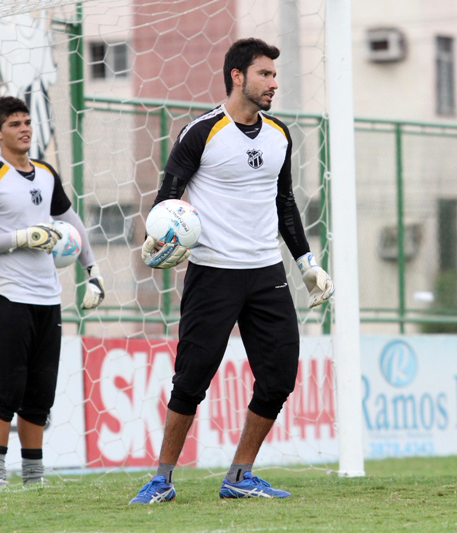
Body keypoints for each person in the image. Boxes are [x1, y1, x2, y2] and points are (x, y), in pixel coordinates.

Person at [131, 38, 334, 504]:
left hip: (266, 273)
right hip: (213, 271)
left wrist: (307, 264)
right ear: (237, 76)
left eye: (275, 76)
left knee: (280, 375)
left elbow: (284, 202)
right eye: (265, 74)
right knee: (193, 376)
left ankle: (239, 476)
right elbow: (168, 194)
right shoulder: (201, 131)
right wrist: (159, 234)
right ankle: (162, 479)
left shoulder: (279, 134)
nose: (273, 83)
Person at [0, 96, 105, 488]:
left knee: (40, 393)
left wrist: (92, 272)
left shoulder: (46, 174)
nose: (24, 128)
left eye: (27, 122)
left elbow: (72, 225)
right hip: (6, 298)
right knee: (7, 388)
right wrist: (20, 237)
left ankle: (33, 476)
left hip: (48, 299)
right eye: (14, 124)